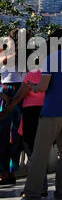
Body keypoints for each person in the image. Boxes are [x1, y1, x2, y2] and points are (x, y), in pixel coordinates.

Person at [11, 30, 62, 200]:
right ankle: (61, 195)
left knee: (39, 155)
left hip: (52, 112)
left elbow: (43, 86)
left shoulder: (51, 59)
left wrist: (34, 87)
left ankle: (32, 196)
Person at [0, 30, 25, 185]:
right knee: (6, 135)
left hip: (16, 92)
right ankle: (6, 171)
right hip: (9, 92)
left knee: (13, 135)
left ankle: (8, 172)